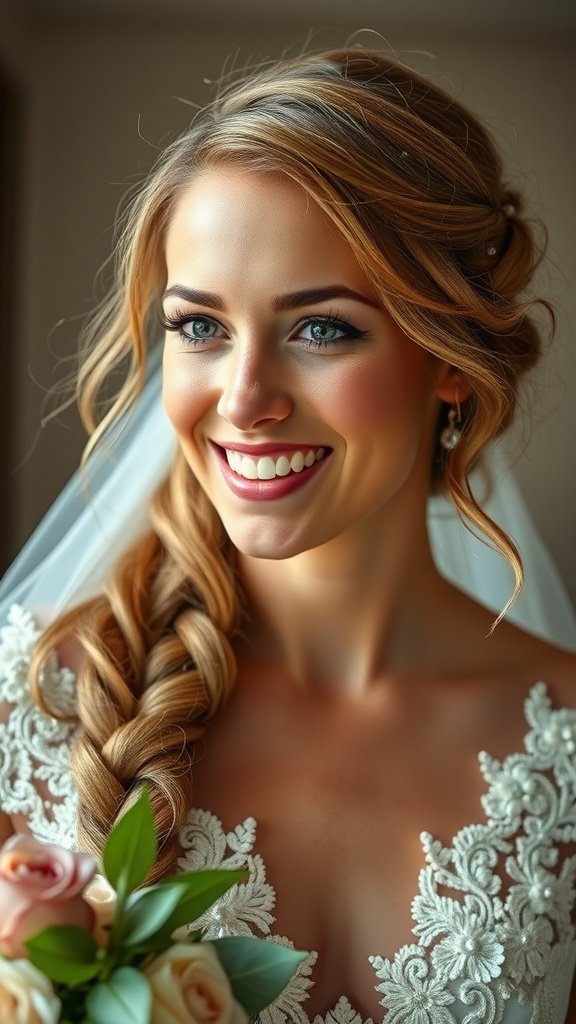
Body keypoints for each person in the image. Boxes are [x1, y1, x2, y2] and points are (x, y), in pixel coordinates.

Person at [1, 47, 575, 1023]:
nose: (244, 398)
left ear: (449, 356)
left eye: (322, 330)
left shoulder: (560, 749)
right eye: (200, 327)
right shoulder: (31, 702)